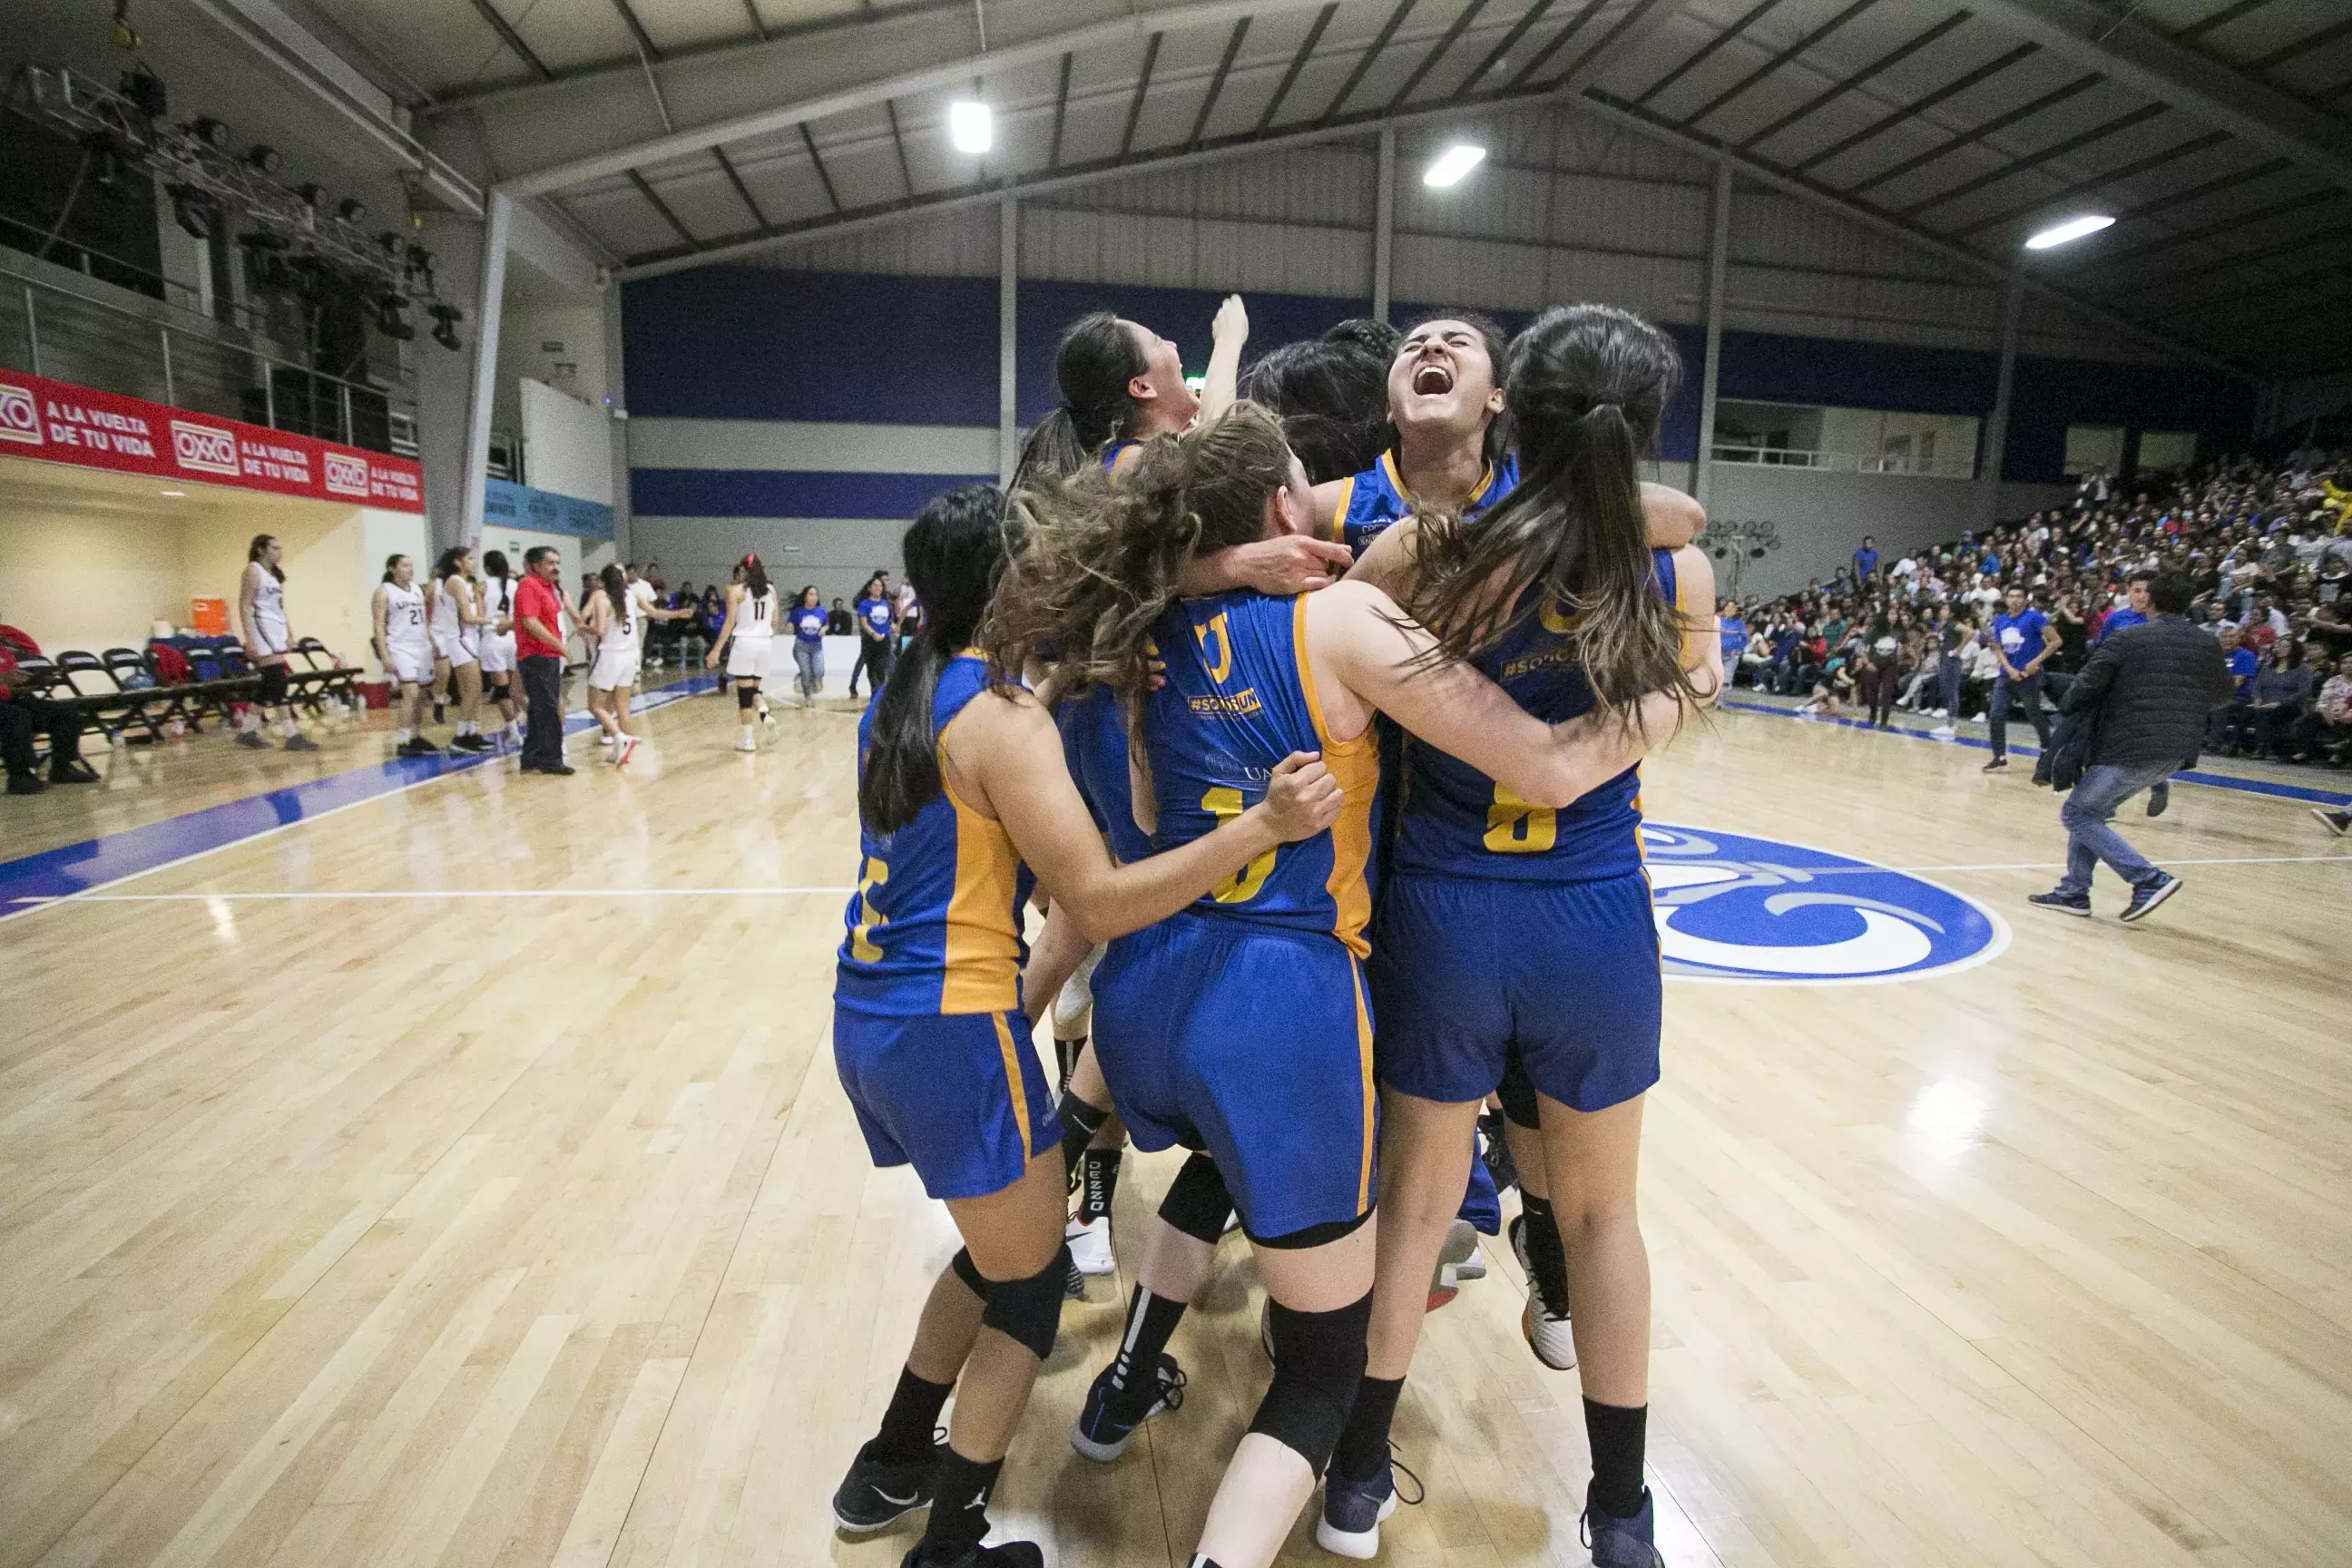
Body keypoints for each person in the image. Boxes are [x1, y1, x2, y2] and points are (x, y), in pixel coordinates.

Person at [991, 402, 1692, 1568]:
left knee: (1212, 1183)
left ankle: (1122, 1377)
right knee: (1321, 1357)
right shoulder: (1343, 617)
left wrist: (1200, 566)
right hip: (1286, 1002)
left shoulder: (1116, 635)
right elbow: (1549, 760)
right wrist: (1678, 690)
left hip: (1144, 987)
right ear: (1284, 510)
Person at [825, 482, 1343, 1568]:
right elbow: (1099, 903)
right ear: (1013, 585)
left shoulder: (912, 686)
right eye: (1047, 564)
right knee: (1029, 1284)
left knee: (988, 1253)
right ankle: (951, 1542)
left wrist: (1100, 657)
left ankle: (890, 1461)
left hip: (872, 1020)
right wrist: (1263, 823)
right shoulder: (1003, 723)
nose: (1068, 574)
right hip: (955, 1027)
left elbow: (1037, 678)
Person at [1323, 303, 1719, 1566]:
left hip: (1444, 906)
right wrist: (1673, 696)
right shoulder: (1679, 569)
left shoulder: (1411, 558)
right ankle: (1619, 1513)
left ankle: (1356, 1473)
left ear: (1517, 416)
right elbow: (1690, 603)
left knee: (1417, 1206)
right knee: (1605, 1220)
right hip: (1593, 917)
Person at [2029, 573, 2232, 921]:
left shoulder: (2128, 638)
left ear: (2150, 600)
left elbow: (2082, 691)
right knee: (2090, 814)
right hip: (2177, 750)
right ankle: (2074, 892)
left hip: (2127, 745)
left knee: (2077, 814)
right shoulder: (2207, 643)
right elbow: (2222, 695)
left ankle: (2148, 879)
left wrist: (2065, 697)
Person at [234, 534, 320, 752]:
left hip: (275, 629)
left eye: (280, 547)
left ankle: (247, 731)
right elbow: (244, 604)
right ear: (261, 549)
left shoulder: (274, 575)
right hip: (260, 629)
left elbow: (279, 607)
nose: (279, 551)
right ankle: (291, 735)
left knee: (271, 684)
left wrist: (289, 632)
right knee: (278, 680)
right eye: (274, 547)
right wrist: (249, 638)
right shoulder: (254, 570)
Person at [1, 632, 98, 793]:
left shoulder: (5, 652)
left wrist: (28, 685)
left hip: (11, 700)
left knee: (66, 710)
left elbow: (9, 687)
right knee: (16, 717)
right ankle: (20, 777)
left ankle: (62, 768)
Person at [1983, 585, 2059, 775]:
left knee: (2033, 713)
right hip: (2006, 675)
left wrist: (2035, 662)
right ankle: (1999, 756)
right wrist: (2009, 669)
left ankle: (2047, 748)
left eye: (2019, 596)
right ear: (2006, 599)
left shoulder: (2034, 618)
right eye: (2011, 596)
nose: (2015, 599)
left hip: (2029, 676)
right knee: (1996, 714)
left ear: (2025, 600)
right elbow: (1998, 648)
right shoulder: (2001, 620)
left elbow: (2056, 641)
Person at [705, 553, 778, 750]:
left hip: (745, 643)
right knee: (754, 690)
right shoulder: (771, 591)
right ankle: (763, 711)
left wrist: (716, 651)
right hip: (764, 643)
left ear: (744, 570)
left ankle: (748, 740)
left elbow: (729, 624)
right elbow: (774, 621)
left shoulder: (736, 591)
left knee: (744, 695)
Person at [513, 547, 573, 775]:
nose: (555, 567)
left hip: (549, 656)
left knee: (540, 709)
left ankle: (532, 756)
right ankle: (550, 759)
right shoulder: (529, 585)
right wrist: (558, 645)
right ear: (536, 565)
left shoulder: (549, 588)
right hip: (536, 655)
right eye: (549, 563)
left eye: (557, 562)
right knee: (547, 708)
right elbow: (529, 621)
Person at [371, 554, 437, 758]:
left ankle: (415, 735)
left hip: (421, 646)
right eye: (405, 565)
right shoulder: (383, 592)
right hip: (399, 647)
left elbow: (424, 620)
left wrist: (432, 641)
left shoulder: (417, 589)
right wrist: (384, 655)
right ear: (392, 568)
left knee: (422, 695)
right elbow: (378, 626)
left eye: (411, 565)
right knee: (410, 692)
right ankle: (403, 740)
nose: (410, 569)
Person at [429, 546, 492, 753]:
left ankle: (471, 732)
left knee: (474, 691)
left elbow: (476, 614)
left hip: (470, 639)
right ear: (458, 562)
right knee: (472, 690)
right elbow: (466, 617)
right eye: (470, 558)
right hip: (460, 640)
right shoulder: (455, 582)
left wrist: (479, 597)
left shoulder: (467, 584)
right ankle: (460, 737)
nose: (474, 562)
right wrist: (496, 621)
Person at [583, 564, 644, 766]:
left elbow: (599, 631)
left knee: (595, 706)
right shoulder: (630, 596)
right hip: (629, 657)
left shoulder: (601, 597)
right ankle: (621, 747)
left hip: (610, 656)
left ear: (602, 580)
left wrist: (584, 627)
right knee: (620, 707)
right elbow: (652, 611)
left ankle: (620, 737)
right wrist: (675, 614)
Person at [476, 550, 525, 750]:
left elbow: (479, 617)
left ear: (487, 567)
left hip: (493, 638)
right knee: (516, 689)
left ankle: (513, 732)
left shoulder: (481, 587)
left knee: (502, 690)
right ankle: (523, 724)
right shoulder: (517, 585)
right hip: (515, 637)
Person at [2248, 636, 2314, 760]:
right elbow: (2257, 686)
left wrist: (2280, 702)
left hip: (2291, 705)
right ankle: (2233, 745)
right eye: (2278, 646)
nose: (2280, 649)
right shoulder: (2267, 667)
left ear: (2294, 649)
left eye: (2285, 646)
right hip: (2264, 703)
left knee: (2265, 713)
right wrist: (2257, 699)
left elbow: (2304, 691)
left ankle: (2262, 747)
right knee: (2245, 709)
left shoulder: (2302, 668)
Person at [850, 572, 897, 699]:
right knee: (871, 669)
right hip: (869, 640)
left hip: (884, 640)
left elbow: (890, 620)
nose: (877, 588)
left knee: (881, 668)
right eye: (875, 586)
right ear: (869, 589)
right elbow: (863, 623)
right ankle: (873, 692)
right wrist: (873, 633)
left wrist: (892, 626)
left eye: (880, 586)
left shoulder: (886, 604)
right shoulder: (864, 604)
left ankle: (879, 696)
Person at [787, 584, 829, 707]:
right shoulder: (798, 611)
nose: (814, 597)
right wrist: (789, 626)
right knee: (806, 673)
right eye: (811, 594)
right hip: (801, 646)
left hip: (817, 647)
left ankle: (804, 678)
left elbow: (826, 624)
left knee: (819, 672)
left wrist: (824, 630)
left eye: (816, 594)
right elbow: (789, 622)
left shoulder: (821, 611)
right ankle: (807, 697)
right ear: (805, 597)